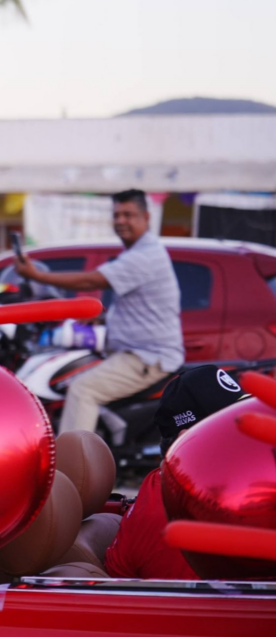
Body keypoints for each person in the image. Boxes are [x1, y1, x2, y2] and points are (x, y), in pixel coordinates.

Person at [14, 189, 184, 440]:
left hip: (146, 357)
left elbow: (91, 280)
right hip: (134, 352)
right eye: (116, 215)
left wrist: (37, 276)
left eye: (128, 215)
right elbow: (141, 305)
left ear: (147, 218)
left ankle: (73, 460)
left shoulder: (144, 256)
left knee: (83, 389)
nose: (121, 221)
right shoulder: (138, 253)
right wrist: (101, 318)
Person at [104, 365, 247, 579]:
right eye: (232, 425)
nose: (249, 434)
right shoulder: (175, 516)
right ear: (188, 440)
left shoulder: (178, 487)